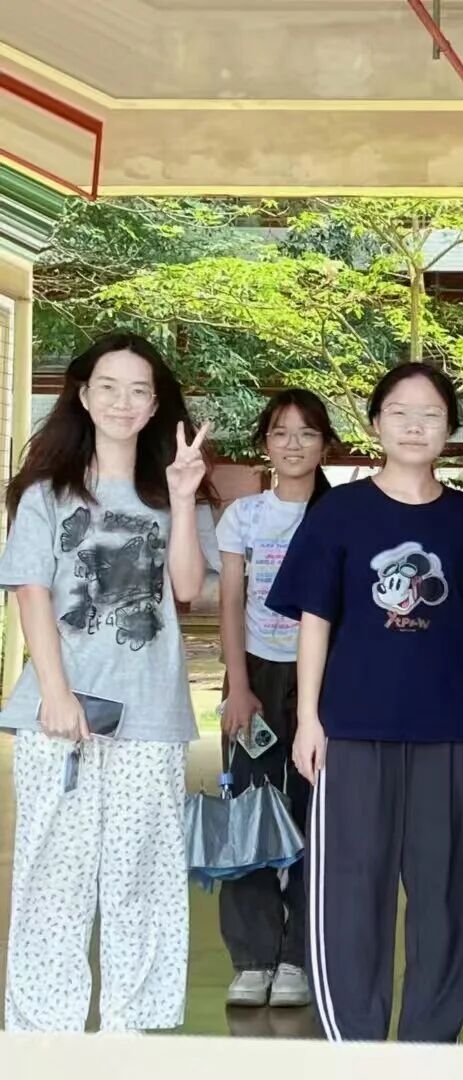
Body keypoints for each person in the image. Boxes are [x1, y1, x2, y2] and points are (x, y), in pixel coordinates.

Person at [268, 362, 463, 1042]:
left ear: (449, 429)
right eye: (399, 412)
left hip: (451, 730)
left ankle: (429, 1043)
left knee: (447, 897)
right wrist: (308, 719)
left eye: (431, 414)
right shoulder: (339, 512)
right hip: (353, 728)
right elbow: (314, 619)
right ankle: (356, 1044)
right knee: (351, 894)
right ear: (375, 424)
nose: (414, 426)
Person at [0, 332, 218, 1032]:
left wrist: (182, 498)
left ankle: (134, 1032)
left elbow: (187, 588)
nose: (123, 402)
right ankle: (45, 1034)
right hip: (56, 714)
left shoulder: (177, 488)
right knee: (53, 875)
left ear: (155, 405)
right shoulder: (46, 493)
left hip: (150, 712)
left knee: (141, 874)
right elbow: (30, 592)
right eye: (109, 387)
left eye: (139, 390)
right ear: (84, 396)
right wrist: (56, 694)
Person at [217, 388, 338, 1010]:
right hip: (258, 675)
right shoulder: (244, 516)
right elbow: (231, 604)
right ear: (264, 442)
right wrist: (238, 686)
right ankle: (253, 957)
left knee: (320, 817)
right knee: (251, 813)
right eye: (281, 432)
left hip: (328, 678)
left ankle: (298, 956)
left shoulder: (340, 513)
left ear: (326, 445)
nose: (293, 444)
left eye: (307, 433)